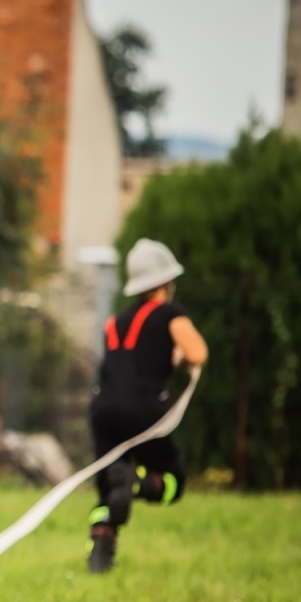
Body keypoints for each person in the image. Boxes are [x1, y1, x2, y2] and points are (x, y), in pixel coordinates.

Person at [87, 238, 208, 574]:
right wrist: (180, 360)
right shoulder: (171, 315)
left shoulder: (114, 322)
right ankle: (138, 484)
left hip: (103, 410)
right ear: (165, 283)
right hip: (143, 411)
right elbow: (198, 352)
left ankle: (99, 556)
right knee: (174, 481)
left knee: (109, 487)